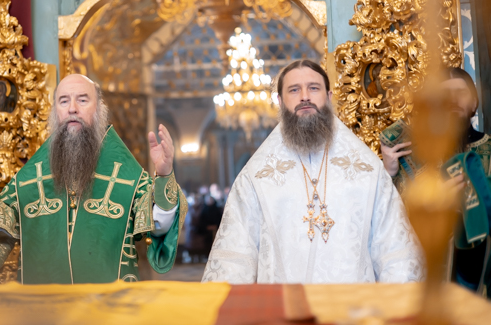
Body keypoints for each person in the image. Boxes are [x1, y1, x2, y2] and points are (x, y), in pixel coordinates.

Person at [202, 59, 423, 284]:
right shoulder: (256, 176)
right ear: (279, 101)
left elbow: (394, 250)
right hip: (284, 303)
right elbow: (235, 258)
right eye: (294, 90)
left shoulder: (367, 170)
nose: (305, 96)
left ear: (328, 97)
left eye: (314, 88)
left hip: (354, 303)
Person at [0, 74, 187, 284]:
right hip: (45, 305)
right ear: (55, 111)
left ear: (99, 109)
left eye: (82, 100)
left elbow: (158, 226)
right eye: (63, 101)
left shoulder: (127, 174)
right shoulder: (31, 176)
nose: (72, 108)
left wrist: (164, 174)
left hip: (110, 305)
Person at [381, 67, 491, 294]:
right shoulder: (410, 156)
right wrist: (388, 173)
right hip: (428, 283)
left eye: (460, 93)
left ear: (474, 102)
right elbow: (389, 228)